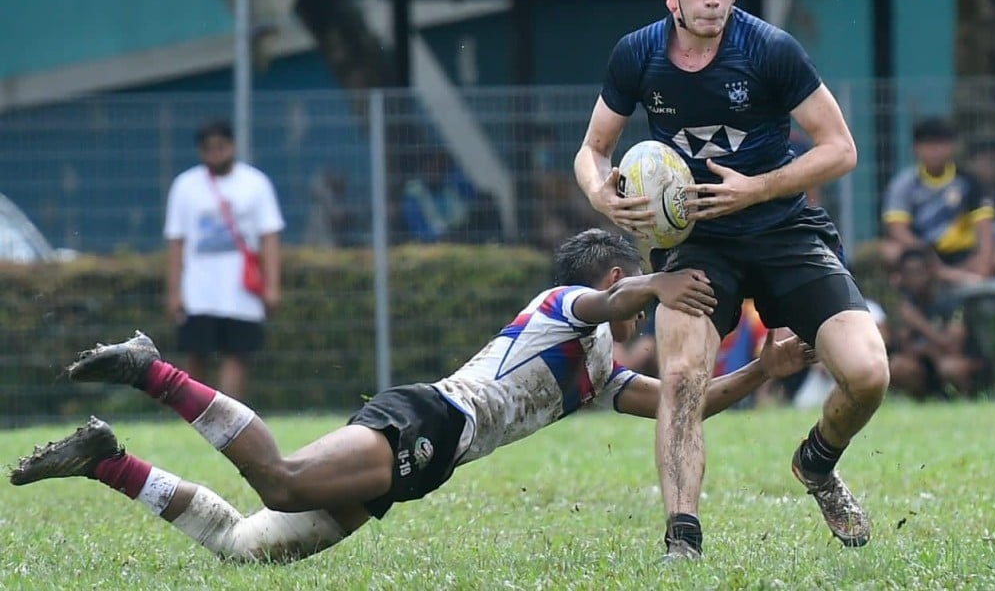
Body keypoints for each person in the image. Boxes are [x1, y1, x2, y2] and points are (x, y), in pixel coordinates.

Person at [10, 229, 812, 564]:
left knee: (250, 546)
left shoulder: (598, 367)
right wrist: (662, 279)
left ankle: (106, 461)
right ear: (613, 278)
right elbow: (605, 303)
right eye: (636, 288)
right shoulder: (562, 307)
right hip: (428, 419)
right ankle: (152, 369)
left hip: (429, 462)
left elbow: (688, 406)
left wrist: (763, 372)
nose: (648, 306)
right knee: (282, 479)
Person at [573, 0, 889, 559]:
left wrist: (758, 187)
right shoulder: (637, 55)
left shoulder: (771, 49)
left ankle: (817, 462)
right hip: (696, 246)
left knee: (868, 372)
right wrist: (602, 196)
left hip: (783, 231)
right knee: (685, 374)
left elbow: (841, 149)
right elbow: (592, 150)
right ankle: (681, 537)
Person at [164, 120, 284, 401]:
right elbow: (175, 241)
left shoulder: (256, 184)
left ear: (232, 146)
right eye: (208, 149)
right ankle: (193, 414)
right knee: (195, 356)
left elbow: (270, 238)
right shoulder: (185, 186)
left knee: (237, 355)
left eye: (220, 147)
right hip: (199, 290)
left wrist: (273, 285)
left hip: (241, 291)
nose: (215, 154)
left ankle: (230, 419)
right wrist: (173, 291)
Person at [882, 118, 995, 286]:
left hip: (964, 252)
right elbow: (897, 229)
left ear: (952, 146)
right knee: (889, 252)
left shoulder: (969, 181)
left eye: (941, 143)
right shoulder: (904, 184)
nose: (935, 150)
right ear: (915, 148)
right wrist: (925, 252)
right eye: (928, 144)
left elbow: (985, 227)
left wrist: (984, 263)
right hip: (925, 253)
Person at [887, 247, 985, 399]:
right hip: (925, 365)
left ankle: (965, 399)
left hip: (956, 362)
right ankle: (920, 402)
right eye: (908, 273)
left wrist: (919, 323)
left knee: (949, 367)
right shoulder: (904, 305)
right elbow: (902, 349)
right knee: (897, 366)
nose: (915, 279)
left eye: (919, 272)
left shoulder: (950, 301)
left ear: (930, 272)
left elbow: (953, 346)